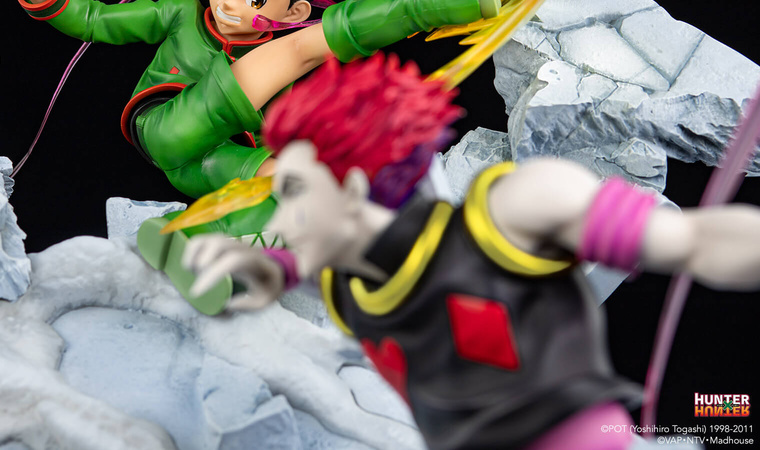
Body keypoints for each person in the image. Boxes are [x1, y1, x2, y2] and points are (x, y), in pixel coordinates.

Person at [183, 53, 760, 450]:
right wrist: (269, 268)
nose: (281, 217)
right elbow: (323, 270)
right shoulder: (347, 275)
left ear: (353, 190)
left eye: (294, 192)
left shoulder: (508, 216)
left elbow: (697, 241)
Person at [15, 0, 500, 310]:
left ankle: (192, 243)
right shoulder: (182, 14)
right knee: (301, 49)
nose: (227, 2)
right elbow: (96, 21)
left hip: (208, 162)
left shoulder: (274, 64)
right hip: (165, 128)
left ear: (296, 9)